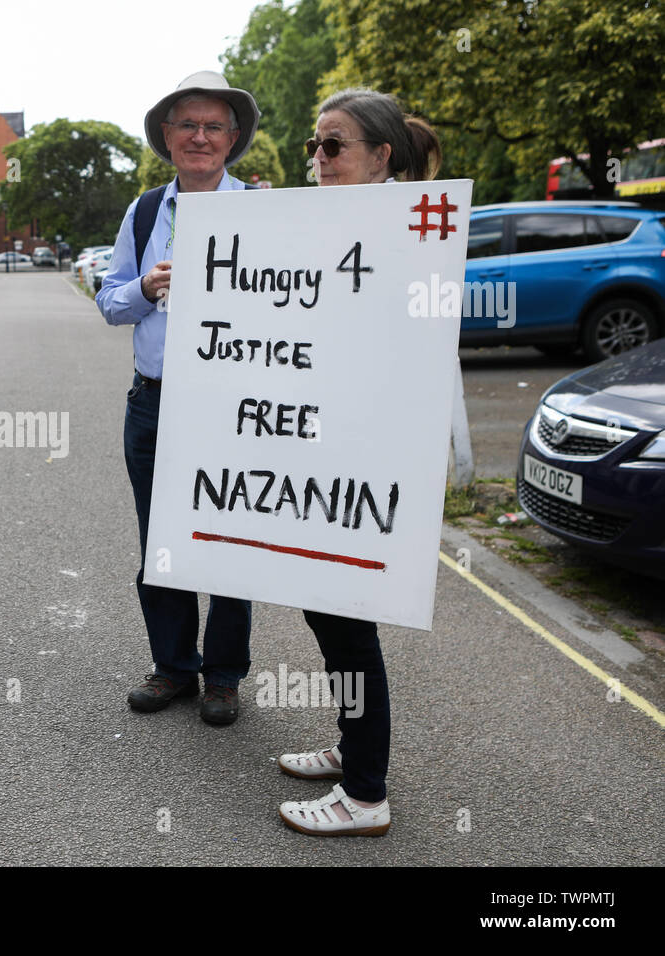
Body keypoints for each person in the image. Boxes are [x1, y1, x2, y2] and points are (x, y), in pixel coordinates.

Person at [275, 88, 443, 837]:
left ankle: (366, 796)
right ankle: (352, 749)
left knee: (347, 623)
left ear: (381, 156)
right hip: (318, 453)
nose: (318, 159)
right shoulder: (328, 225)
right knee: (326, 609)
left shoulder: (408, 236)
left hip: (360, 462)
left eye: (333, 146)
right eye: (314, 146)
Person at [95, 73, 261, 726]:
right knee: (161, 539)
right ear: (167, 137)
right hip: (154, 404)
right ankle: (174, 668)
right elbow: (110, 302)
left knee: (231, 540)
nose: (199, 137)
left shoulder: (264, 211)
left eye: (213, 126)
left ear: (233, 138)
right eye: (186, 125)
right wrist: (144, 286)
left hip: (230, 405)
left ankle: (222, 675)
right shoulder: (142, 213)